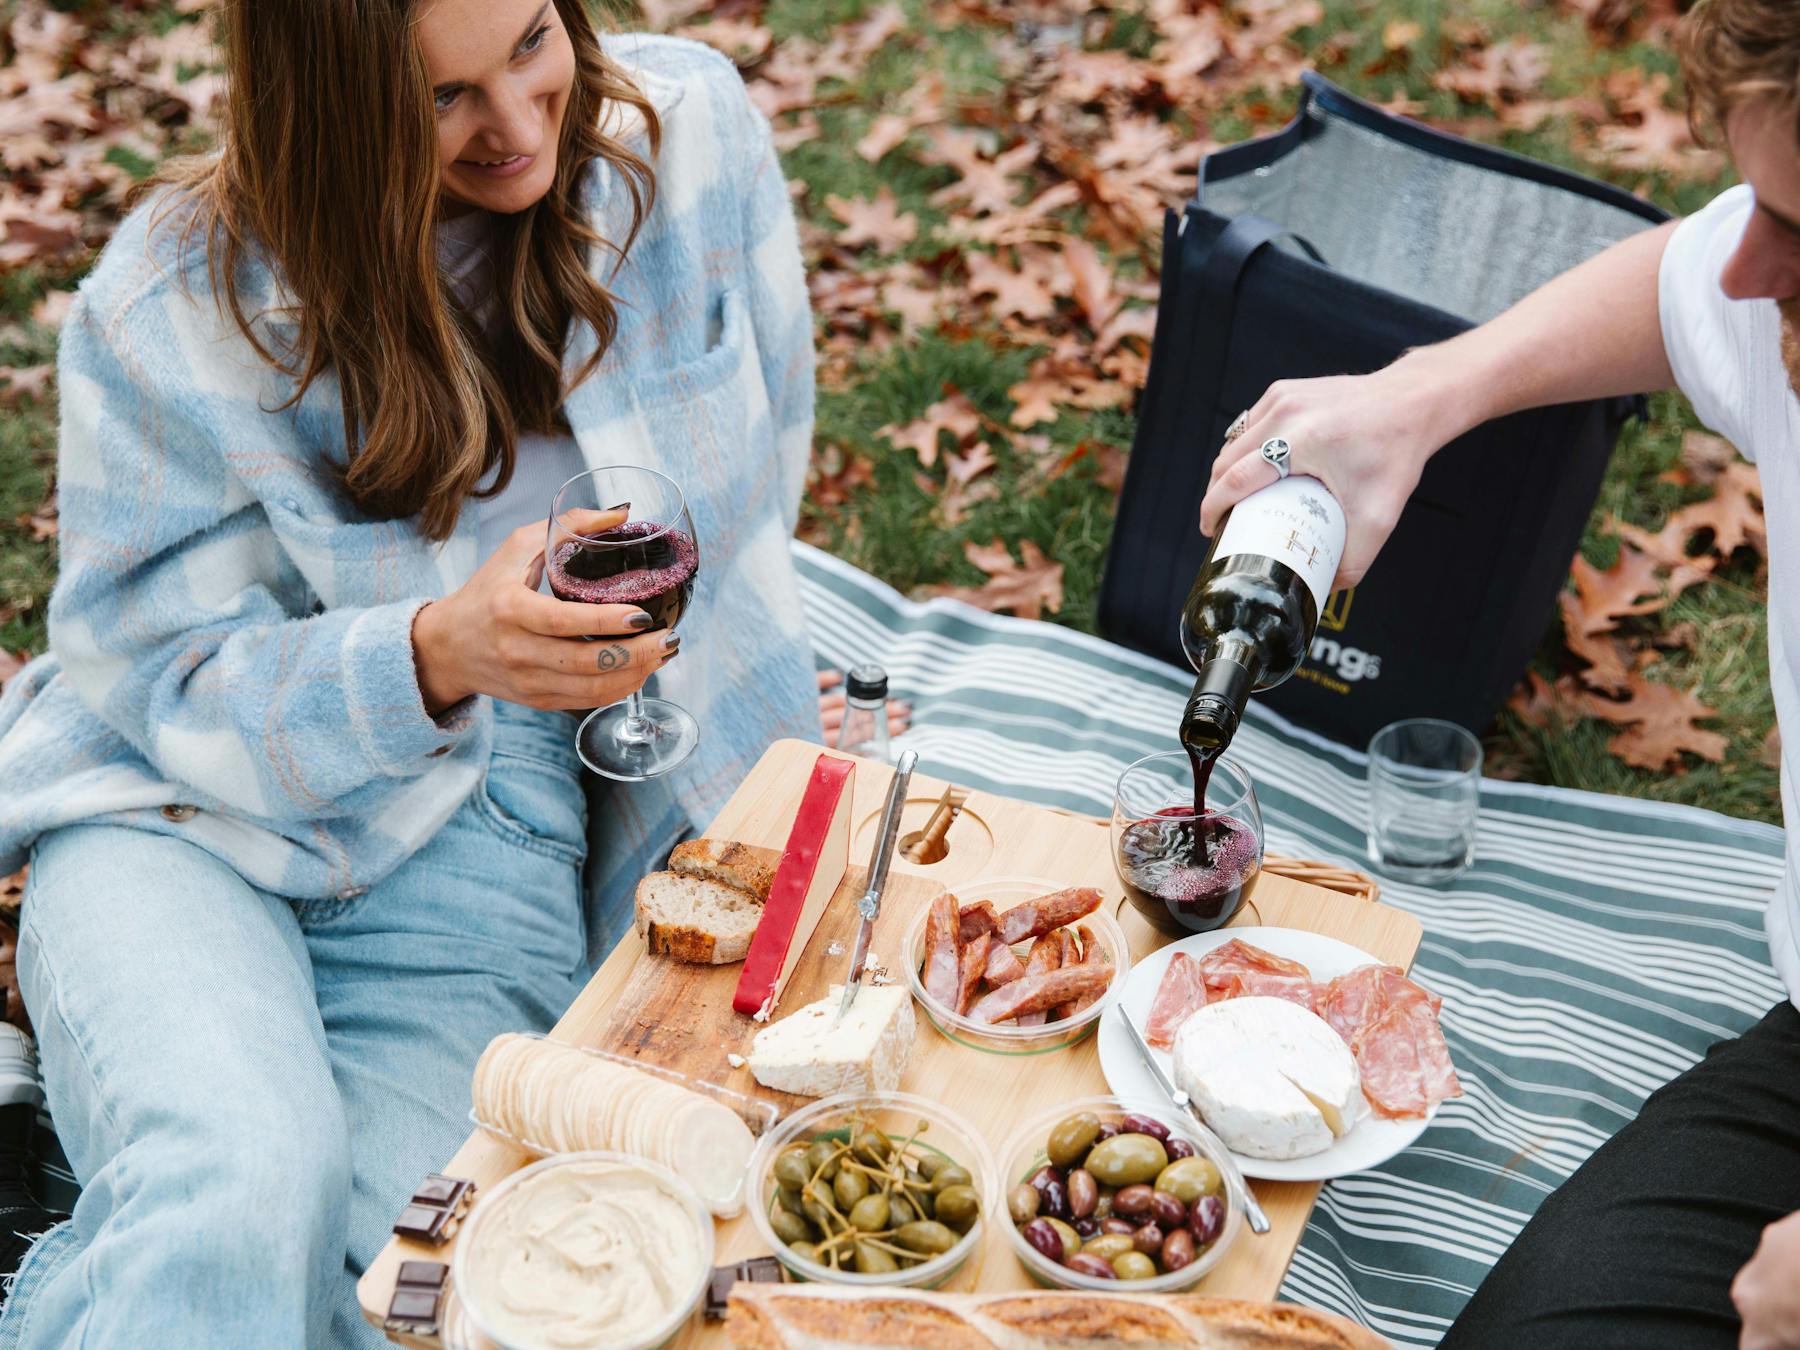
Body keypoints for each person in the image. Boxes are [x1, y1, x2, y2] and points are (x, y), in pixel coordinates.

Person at [0, 0, 835, 1343]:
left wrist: (738, 691)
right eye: (442, 98)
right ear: (333, 111)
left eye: (531, 45)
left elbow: (761, 458)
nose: (515, 129)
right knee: (239, 1190)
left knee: (399, 1290)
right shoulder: (170, 298)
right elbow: (143, 670)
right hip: (176, 814)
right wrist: (431, 653)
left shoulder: (687, 141)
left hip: (485, 836)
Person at [1200, 1, 1800, 1345]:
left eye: (1795, 228)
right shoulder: (1773, 289)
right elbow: (1677, 286)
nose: (1746, 270)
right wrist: (1418, 397)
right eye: (1754, 201)